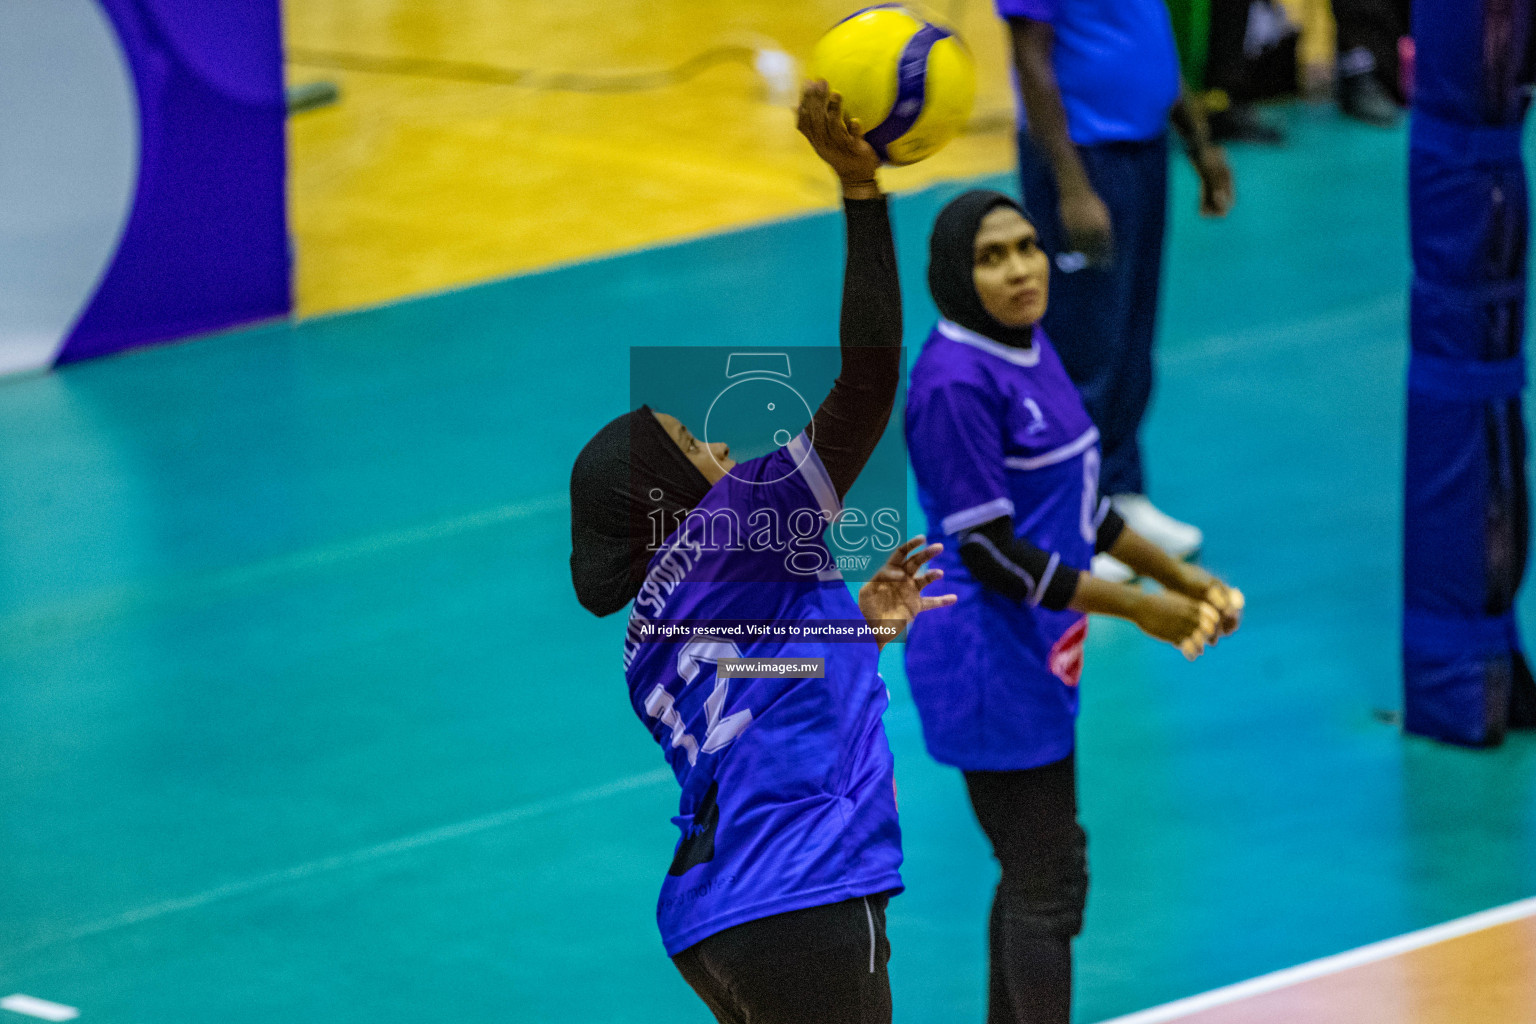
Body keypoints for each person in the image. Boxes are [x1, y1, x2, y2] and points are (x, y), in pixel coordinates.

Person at [569, 82, 952, 1024]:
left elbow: (758, 674)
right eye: (701, 445)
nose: (729, 451)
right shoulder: (738, 520)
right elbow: (867, 380)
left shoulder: (646, 638)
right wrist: (861, 195)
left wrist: (851, 632)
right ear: (670, 495)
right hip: (803, 895)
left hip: (719, 923)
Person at [903, 190, 1244, 1024]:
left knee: (1039, 872)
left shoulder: (1026, 345)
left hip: (1037, 647)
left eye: (1026, 247)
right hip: (985, 658)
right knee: (1047, 881)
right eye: (992, 257)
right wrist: (1139, 607)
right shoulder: (953, 383)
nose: (1021, 269)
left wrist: (1181, 580)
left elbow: (1081, 505)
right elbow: (989, 550)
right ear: (955, 275)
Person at [1001, 0, 1235, 580]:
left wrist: (1198, 143)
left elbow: (1150, 40)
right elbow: (1029, 55)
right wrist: (1071, 184)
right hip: (1086, 156)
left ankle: (1120, 497)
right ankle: (1068, 520)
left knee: (1131, 339)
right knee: (1084, 348)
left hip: (1144, 149)